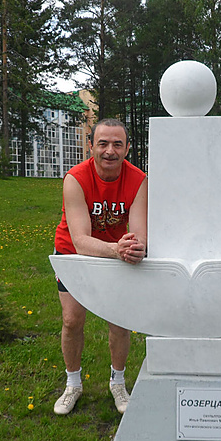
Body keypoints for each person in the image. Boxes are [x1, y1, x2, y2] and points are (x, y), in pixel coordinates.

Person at [52, 118, 147, 415]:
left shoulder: (139, 180)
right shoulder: (75, 178)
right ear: (91, 145)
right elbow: (80, 241)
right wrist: (117, 249)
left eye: (118, 144)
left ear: (127, 148)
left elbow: (140, 233)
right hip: (73, 253)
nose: (110, 151)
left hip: (117, 253)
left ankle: (118, 382)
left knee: (119, 321)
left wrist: (137, 247)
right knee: (72, 320)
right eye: (103, 143)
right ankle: (73, 384)